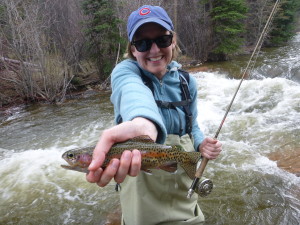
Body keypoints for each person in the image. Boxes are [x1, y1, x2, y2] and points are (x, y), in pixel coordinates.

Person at [86, 5, 222, 225]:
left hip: (181, 172)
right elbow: (134, 94)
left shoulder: (188, 81)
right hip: (140, 179)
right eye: (143, 43)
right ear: (133, 50)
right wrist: (145, 124)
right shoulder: (125, 73)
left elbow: (192, 125)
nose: (154, 50)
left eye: (162, 40)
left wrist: (201, 143)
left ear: (173, 40)